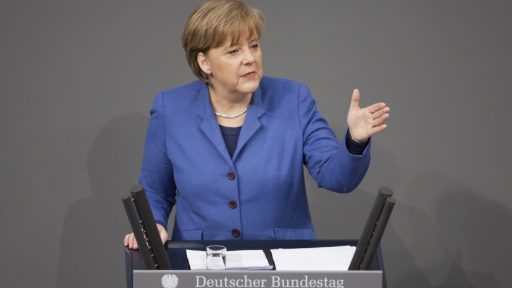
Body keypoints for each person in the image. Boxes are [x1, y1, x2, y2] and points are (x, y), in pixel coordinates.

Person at [124, 0, 390, 249]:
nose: (250, 58)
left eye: (254, 45)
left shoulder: (293, 99)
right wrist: (154, 224)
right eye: (234, 51)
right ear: (204, 62)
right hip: (202, 261)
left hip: (282, 260)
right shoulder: (171, 109)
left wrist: (355, 141)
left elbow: (337, 177)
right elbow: (154, 189)